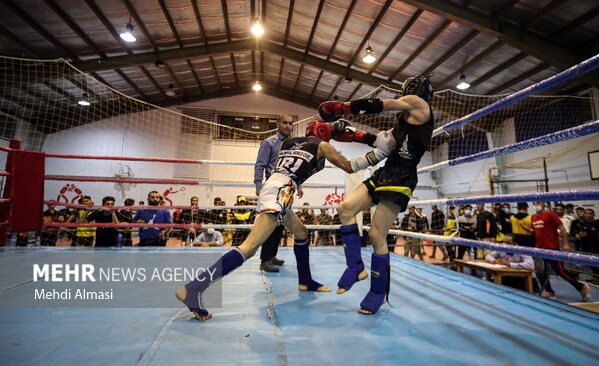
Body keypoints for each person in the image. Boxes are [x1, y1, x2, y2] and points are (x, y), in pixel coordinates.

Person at [176, 119, 395, 320]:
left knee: (300, 232)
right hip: (281, 191)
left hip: (278, 186)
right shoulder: (323, 146)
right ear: (324, 134)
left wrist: (295, 186)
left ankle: (305, 281)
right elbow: (349, 166)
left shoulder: (288, 142)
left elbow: (287, 167)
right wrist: (380, 153)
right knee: (249, 247)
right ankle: (194, 288)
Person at [318, 74, 433, 314]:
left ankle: (378, 292)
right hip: (384, 173)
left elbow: (383, 104)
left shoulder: (420, 106)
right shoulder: (402, 122)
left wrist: (343, 108)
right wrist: (354, 135)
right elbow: (383, 145)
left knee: (377, 234)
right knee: (345, 209)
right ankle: (355, 267)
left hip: (402, 177)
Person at [254, 114, 295, 272]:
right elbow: (260, 165)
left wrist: (297, 186)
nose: (287, 126)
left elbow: (292, 167)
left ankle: (271, 256)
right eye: (284, 123)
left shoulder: (293, 144)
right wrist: (258, 185)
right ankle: (265, 260)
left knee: (280, 224)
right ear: (278, 124)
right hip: (272, 188)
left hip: (287, 187)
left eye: (290, 123)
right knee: (271, 223)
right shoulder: (269, 142)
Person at [531, 201, 590, 302]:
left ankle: (580, 287)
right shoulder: (533, 217)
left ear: (543, 203)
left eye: (538, 202)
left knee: (560, 270)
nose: (536, 205)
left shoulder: (550, 214)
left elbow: (561, 228)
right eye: (534, 203)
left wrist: (565, 243)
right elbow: (535, 231)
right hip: (540, 248)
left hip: (552, 248)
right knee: (540, 271)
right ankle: (548, 290)